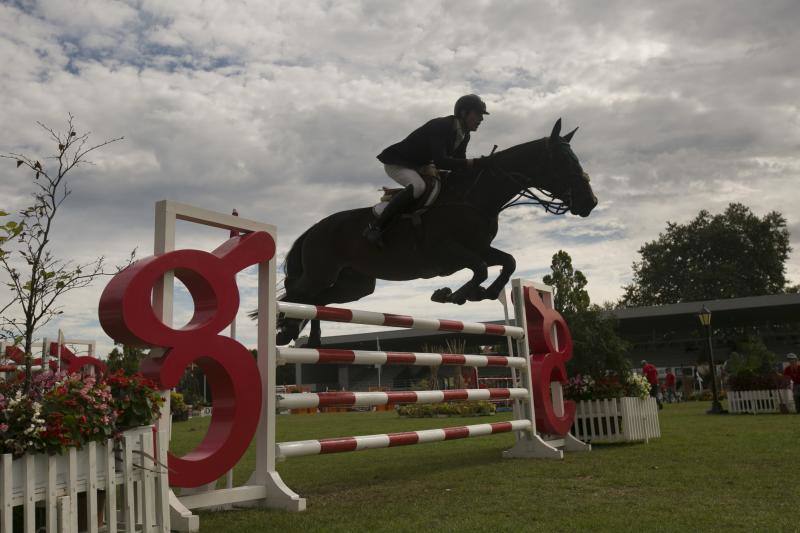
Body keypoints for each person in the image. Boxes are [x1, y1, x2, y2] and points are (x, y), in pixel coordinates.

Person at [364, 94, 490, 247]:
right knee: (419, 187)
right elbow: (441, 161)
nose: (481, 119)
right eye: (477, 114)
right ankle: (376, 227)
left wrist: (480, 169)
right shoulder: (442, 125)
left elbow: (458, 163)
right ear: (464, 113)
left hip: (419, 166)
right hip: (397, 163)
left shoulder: (464, 135)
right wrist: (474, 162)